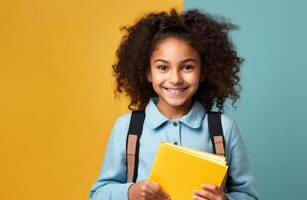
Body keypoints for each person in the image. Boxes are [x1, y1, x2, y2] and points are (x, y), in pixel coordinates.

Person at [89, 8, 259, 200]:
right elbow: (98, 194)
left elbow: (248, 196)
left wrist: (224, 199)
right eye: (163, 67)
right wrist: (131, 192)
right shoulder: (127, 128)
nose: (175, 78)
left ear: (203, 71)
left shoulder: (223, 128)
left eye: (187, 67)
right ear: (148, 72)